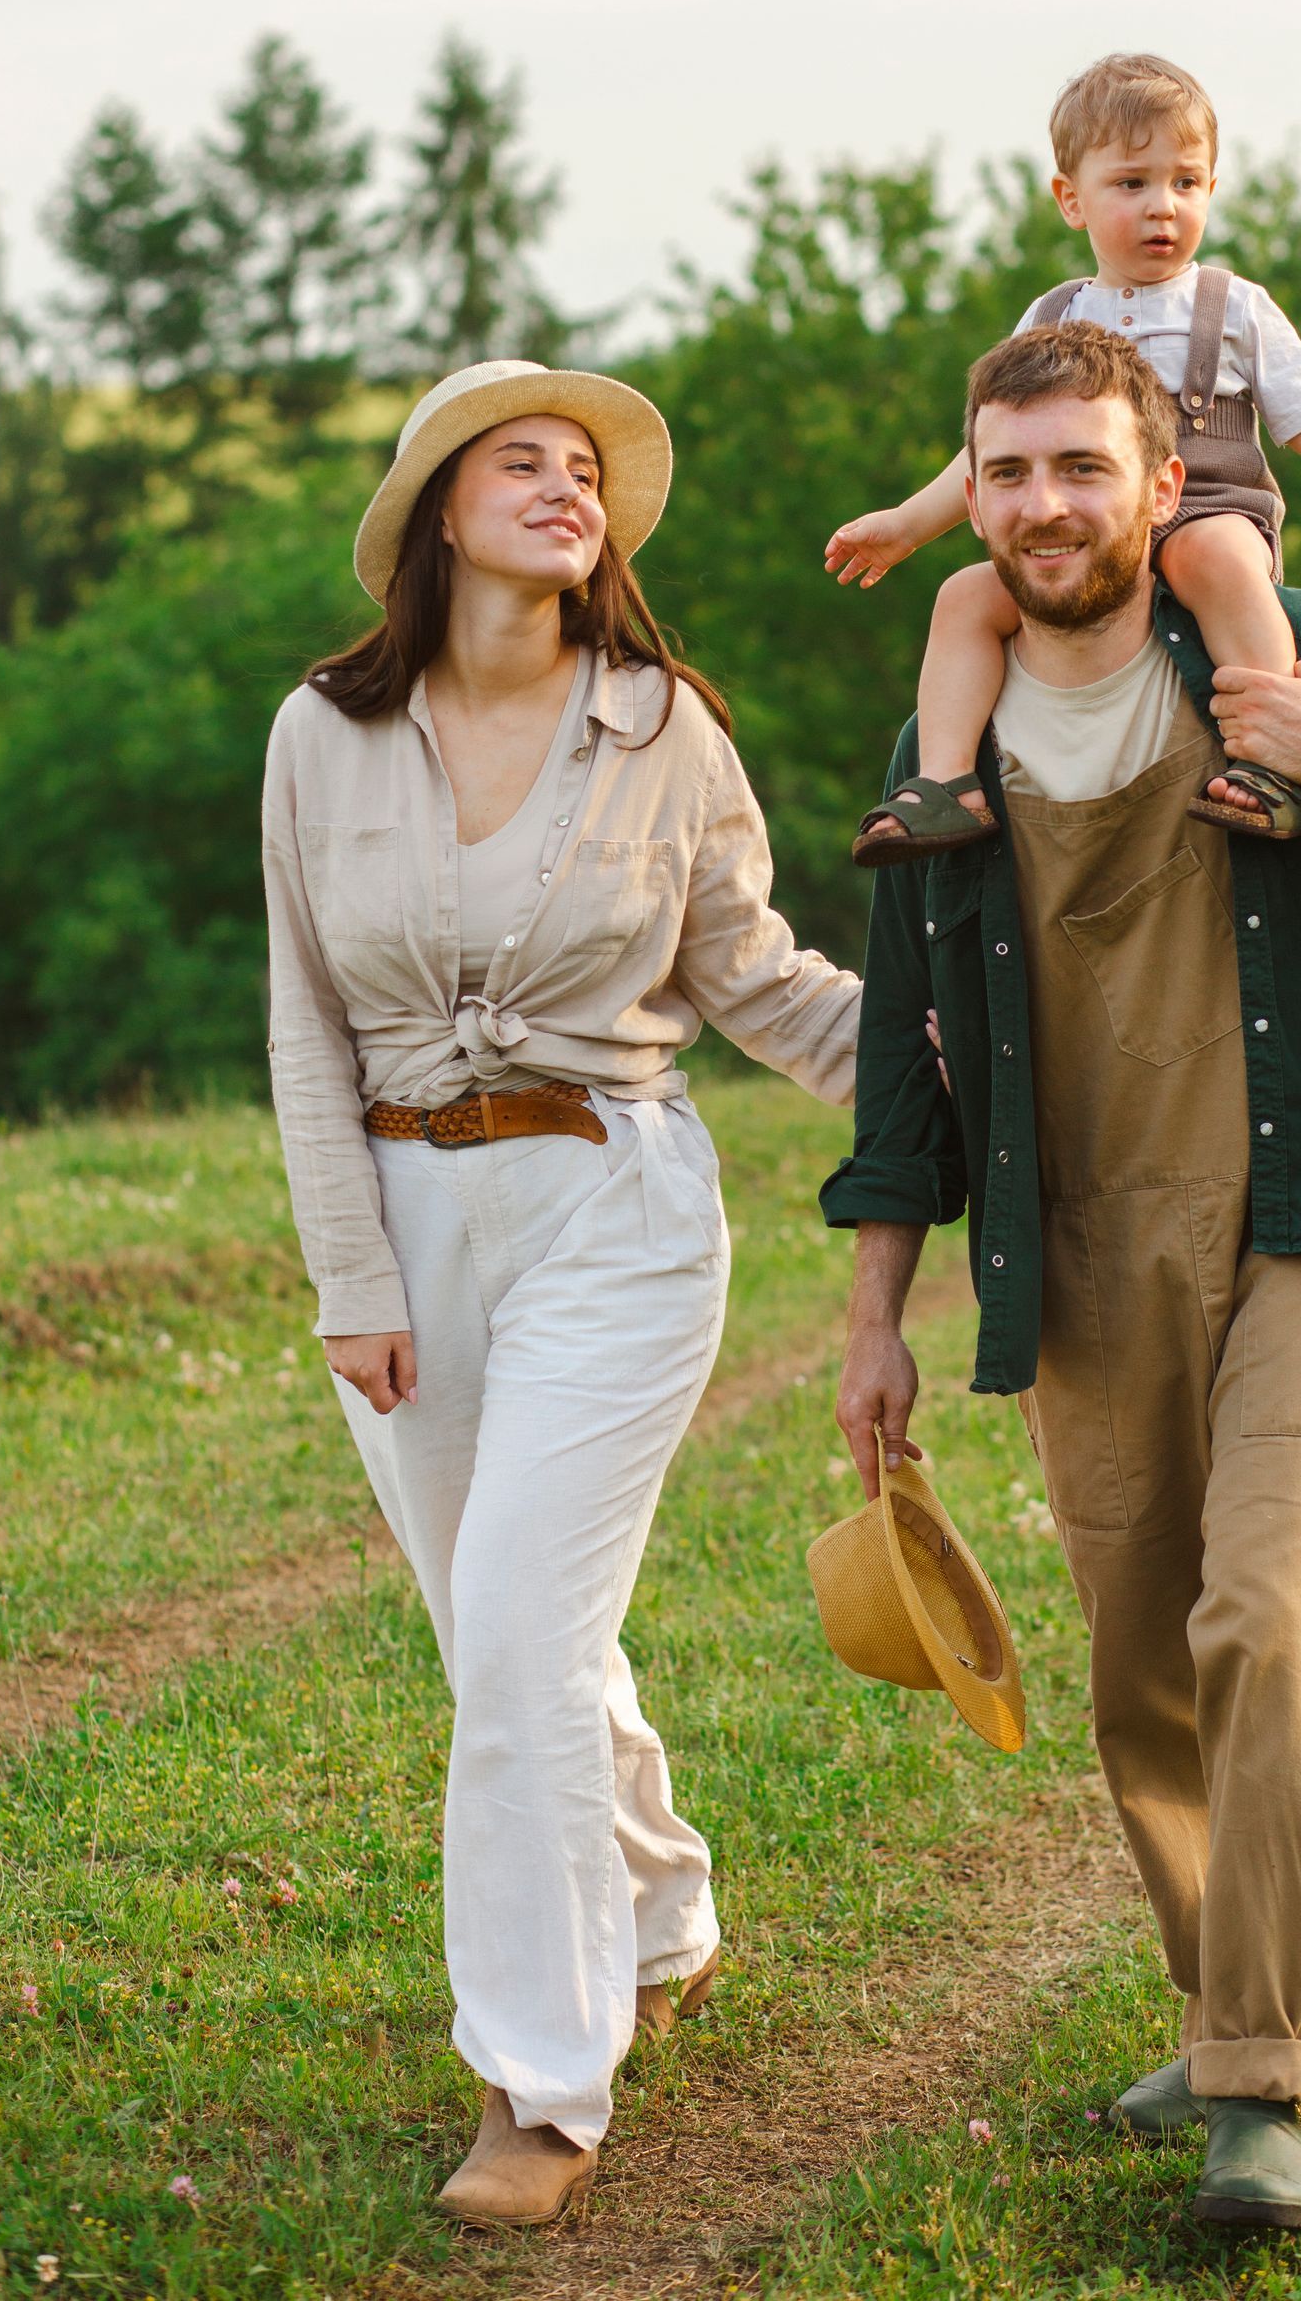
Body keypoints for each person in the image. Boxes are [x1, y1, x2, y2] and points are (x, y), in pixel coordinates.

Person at [820, 316, 1301, 2235]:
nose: (1043, 506)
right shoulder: (939, 755)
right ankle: (1230, 2009)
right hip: (1084, 1241)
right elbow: (904, 1058)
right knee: (1143, 1664)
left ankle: (1269, 2084)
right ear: (979, 484)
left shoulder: (1295, 653)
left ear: (1158, 482)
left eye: (1080, 469)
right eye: (1007, 469)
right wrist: (875, 1310)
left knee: (1263, 1616)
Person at [262, 359, 860, 2228]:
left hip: (617, 1206)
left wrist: (960, 1076)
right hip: (409, 1229)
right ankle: (663, 1900)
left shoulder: (664, 725)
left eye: (586, 468)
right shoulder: (321, 734)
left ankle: (541, 2078)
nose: (564, 485)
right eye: (521, 460)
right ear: (440, 508)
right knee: (504, 1629)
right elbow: (300, 1017)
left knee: (518, 1628)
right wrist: (349, 1272)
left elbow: (754, 977)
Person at [829, 51, 1301, 855]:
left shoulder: (1233, 306)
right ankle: (947, 786)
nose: (1163, 207)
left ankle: (1268, 766)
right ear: (1072, 200)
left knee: (1215, 561)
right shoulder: (1054, 315)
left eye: (1187, 182)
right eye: (1132, 184)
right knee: (964, 598)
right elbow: (996, 451)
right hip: (1092, 535)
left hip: (1208, 505)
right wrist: (907, 526)